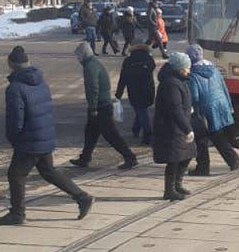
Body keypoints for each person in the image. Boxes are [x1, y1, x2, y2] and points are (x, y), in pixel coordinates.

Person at [1, 46, 94, 225]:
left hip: (29, 140)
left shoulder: (15, 88)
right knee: (48, 171)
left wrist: (13, 138)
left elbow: (15, 120)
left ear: (12, 66)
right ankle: (82, 197)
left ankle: (17, 214)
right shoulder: (40, 82)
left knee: (16, 174)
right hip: (43, 136)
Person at [70, 42, 138, 170]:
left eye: (78, 56)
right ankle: (85, 158)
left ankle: (130, 157)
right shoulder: (94, 63)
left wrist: (93, 107)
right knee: (90, 132)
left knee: (111, 135)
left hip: (101, 106)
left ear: (83, 55)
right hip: (102, 104)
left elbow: (93, 88)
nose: (78, 59)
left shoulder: (90, 67)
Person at [185, 44, 239, 176]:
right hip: (221, 105)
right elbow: (224, 88)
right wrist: (229, 106)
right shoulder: (214, 69)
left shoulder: (193, 75)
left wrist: (191, 111)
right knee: (217, 134)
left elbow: (195, 96)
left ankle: (203, 167)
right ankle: (233, 159)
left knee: (201, 139)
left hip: (205, 109)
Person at [153, 52, 196, 201]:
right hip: (171, 128)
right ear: (179, 68)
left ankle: (178, 184)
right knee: (174, 159)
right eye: (186, 68)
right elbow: (174, 108)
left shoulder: (179, 80)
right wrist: (187, 129)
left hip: (179, 125)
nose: (188, 71)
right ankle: (169, 190)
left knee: (186, 156)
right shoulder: (171, 83)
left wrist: (189, 108)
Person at [116, 38, 155, 145]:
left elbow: (123, 78)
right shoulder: (149, 58)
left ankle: (148, 134)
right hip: (148, 88)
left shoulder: (128, 61)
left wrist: (118, 94)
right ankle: (136, 128)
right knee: (142, 109)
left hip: (134, 89)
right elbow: (152, 68)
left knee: (141, 110)